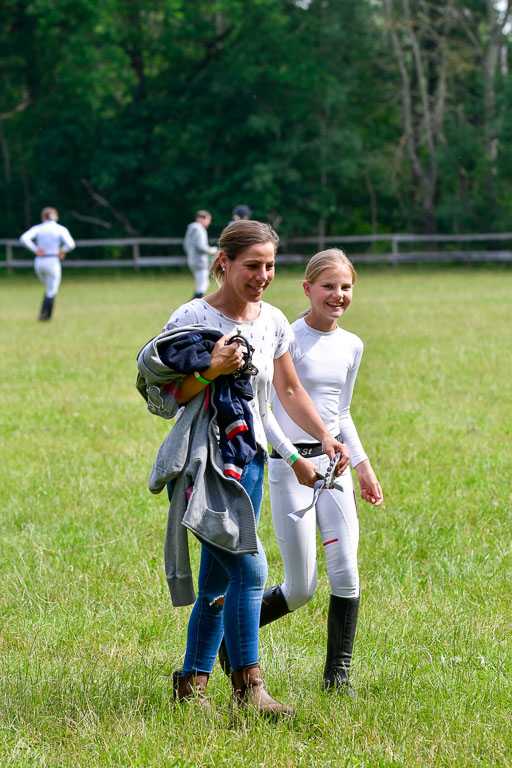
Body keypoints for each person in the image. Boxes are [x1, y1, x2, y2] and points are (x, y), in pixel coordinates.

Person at [154, 221, 349, 716]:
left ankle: (191, 684)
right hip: (208, 464)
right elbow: (165, 396)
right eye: (252, 265)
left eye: (269, 265)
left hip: (253, 463)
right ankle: (249, 688)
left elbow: (283, 395)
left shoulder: (274, 321)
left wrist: (318, 441)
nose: (263, 275)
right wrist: (209, 371)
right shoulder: (192, 315)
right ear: (224, 261)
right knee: (252, 567)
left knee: (219, 579)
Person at [261, 248, 383, 694]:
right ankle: (231, 641)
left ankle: (338, 680)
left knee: (347, 573)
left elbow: (342, 413)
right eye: (328, 286)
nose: (338, 295)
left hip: (336, 468)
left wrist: (364, 466)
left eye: (346, 287)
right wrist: (292, 459)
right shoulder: (286, 339)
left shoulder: (353, 345)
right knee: (301, 588)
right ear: (308, 289)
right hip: (289, 467)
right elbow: (266, 412)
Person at [19, 207, 75, 321]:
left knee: (48, 287)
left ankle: (43, 314)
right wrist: (61, 250)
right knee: (52, 289)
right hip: (52, 260)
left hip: (39, 261)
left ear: (43, 217)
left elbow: (24, 238)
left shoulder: (39, 228)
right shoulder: (60, 229)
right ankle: (45, 316)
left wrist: (35, 249)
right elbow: (71, 244)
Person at [183, 210, 217, 299]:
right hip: (200, 261)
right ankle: (193, 304)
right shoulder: (199, 229)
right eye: (208, 219)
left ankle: (194, 303)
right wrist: (211, 250)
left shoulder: (191, 229)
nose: (209, 222)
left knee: (202, 284)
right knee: (203, 285)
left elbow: (185, 245)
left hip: (192, 260)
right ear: (200, 219)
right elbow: (201, 246)